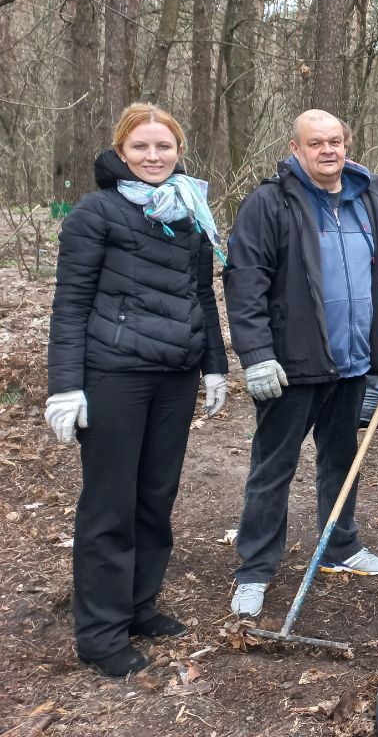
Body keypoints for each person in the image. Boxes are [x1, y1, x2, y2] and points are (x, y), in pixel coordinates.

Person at [45, 103, 228, 677]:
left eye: (164, 147)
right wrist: (65, 387)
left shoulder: (190, 213)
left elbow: (202, 297)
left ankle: (138, 605)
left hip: (174, 376)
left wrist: (215, 366)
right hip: (115, 376)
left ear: (179, 151)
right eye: (142, 148)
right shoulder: (94, 214)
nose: (154, 157)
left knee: (155, 496)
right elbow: (69, 305)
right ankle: (99, 634)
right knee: (110, 505)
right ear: (121, 153)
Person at [225, 109, 378, 619]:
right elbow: (245, 282)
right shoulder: (270, 202)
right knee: (273, 467)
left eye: (336, 141)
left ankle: (341, 547)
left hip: (351, 362)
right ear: (296, 148)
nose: (329, 150)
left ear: (347, 144)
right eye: (316, 143)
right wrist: (256, 355)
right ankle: (256, 569)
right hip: (292, 363)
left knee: (341, 460)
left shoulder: (368, 198)